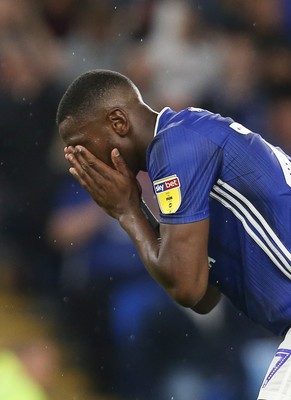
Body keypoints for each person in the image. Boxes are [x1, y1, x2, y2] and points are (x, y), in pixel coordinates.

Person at [56, 69, 291, 400]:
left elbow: (185, 286)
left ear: (118, 123)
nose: (80, 163)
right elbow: (204, 295)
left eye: (81, 147)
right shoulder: (185, 135)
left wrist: (127, 211)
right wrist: (137, 210)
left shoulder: (175, 147)